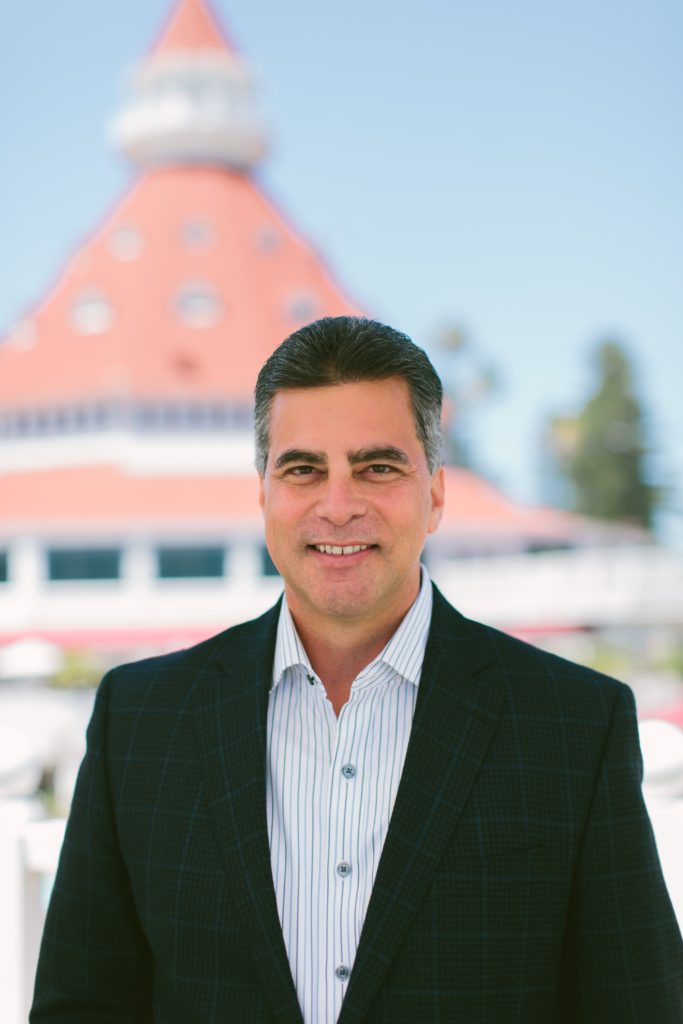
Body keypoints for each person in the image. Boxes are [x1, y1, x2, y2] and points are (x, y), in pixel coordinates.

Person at [31, 316, 682, 1023]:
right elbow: (81, 1007)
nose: (337, 506)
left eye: (377, 467)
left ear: (435, 494)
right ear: (264, 495)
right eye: (303, 469)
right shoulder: (140, 721)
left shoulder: (574, 726)